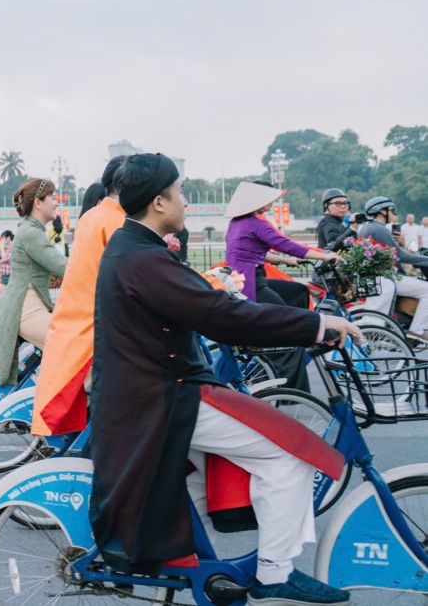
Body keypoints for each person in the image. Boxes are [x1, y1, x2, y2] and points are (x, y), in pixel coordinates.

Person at [89, 153, 358, 604]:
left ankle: (199, 571)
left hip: (146, 393)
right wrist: (314, 325)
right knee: (290, 455)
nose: (187, 202)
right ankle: (274, 572)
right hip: (164, 395)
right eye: (180, 193)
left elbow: (204, 307)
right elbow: (219, 316)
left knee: (192, 479)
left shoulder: (133, 248)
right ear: (158, 202)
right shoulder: (144, 259)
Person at [31, 155, 128, 436]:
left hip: (67, 314)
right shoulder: (115, 223)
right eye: (51, 198)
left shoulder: (92, 218)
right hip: (47, 313)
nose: (56, 202)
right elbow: (61, 265)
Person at [224, 181, 336, 389]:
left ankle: (306, 331)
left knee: (299, 291)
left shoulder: (238, 222)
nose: (272, 201)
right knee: (290, 330)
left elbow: (256, 250)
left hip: (245, 280)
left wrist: (286, 260)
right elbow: (288, 245)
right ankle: (289, 388)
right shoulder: (256, 223)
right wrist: (325, 256)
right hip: (252, 285)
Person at [0, 178, 69, 385]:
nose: (56, 203)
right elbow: (65, 267)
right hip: (27, 310)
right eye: (53, 198)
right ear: (38, 203)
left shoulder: (32, 230)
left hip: (29, 307)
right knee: (71, 345)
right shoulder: (31, 234)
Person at [359, 197, 428, 341]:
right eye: (390, 210)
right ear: (381, 212)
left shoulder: (366, 227)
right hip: (385, 277)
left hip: (376, 276)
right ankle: (417, 330)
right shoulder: (379, 228)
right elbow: (401, 256)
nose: (392, 214)